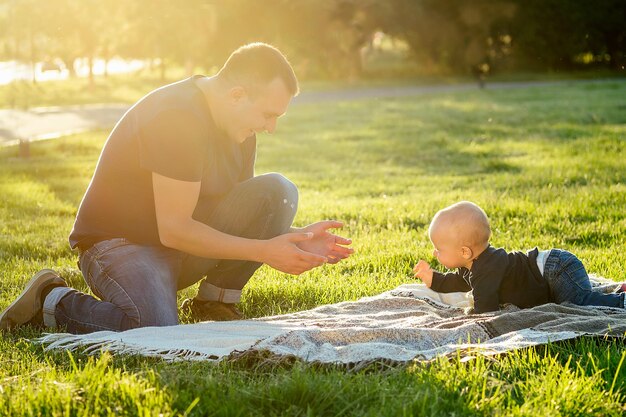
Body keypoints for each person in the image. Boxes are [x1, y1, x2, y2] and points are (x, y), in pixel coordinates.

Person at [0, 43, 353, 333]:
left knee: (277, 191)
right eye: (267, 114)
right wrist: (265, 251)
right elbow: (175, 228)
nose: (271, 127)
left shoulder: (239, 129)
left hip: (175, 243)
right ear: (236, 94)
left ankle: (214, 303)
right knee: (152, 328)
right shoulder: (178, 117)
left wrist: (297, 239)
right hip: (120, 245)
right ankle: (51, 298)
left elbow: (240, 216)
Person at [413, 201, 625, 313]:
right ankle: (620, 290)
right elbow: (458, 282)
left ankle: (621, 301)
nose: (434, 253)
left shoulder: (486, 269)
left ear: (465, 252)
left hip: (554, 270)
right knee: (576, 298)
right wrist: (432, 277)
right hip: (552, 268)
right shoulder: (474, 266)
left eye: (439, 249)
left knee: (579, 304)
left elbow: (485, 308)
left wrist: (471, 316)